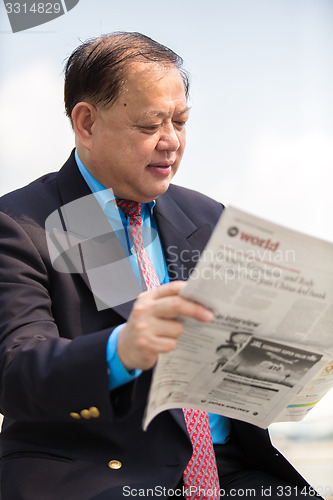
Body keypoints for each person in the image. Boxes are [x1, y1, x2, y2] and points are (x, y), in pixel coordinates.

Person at [0, 32, 322, 500]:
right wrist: (121, 349)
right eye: (150, 125)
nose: (171, 141)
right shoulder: (21, 223)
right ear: (86, 123)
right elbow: (16, 373)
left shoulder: (210, 217)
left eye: (181, 121)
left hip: (234, 473)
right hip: (101, 474)